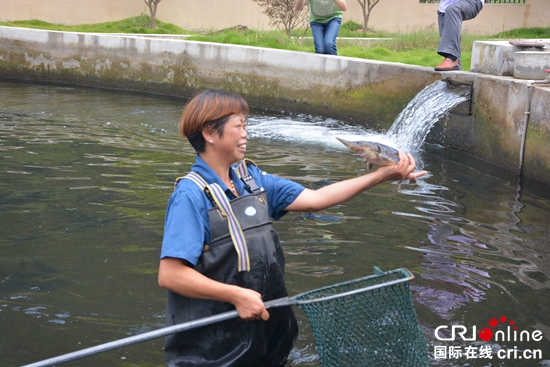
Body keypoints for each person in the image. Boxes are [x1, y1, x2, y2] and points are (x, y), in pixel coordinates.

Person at [158, 90, 426, 367]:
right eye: (239, 126)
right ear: (210, 133)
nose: (245, 133)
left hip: (267, 340)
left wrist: (382, 175)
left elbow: (315, 199)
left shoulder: (251, 180)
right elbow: (171, 274)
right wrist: (236, 295)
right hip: (215, 352)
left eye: (246, 125)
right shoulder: (190, 196)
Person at [434, 0, 484, 71]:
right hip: (444, 7)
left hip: (471, 2)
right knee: (450, 41)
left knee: (453, 10)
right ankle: (456, 76)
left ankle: (452, 59)